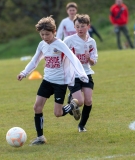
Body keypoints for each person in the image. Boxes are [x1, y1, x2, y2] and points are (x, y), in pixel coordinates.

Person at [17, 16, 89, 145]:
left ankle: (73, 104)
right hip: (47, 80)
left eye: (47, 34)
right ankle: (40, 137)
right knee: (37, 107)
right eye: (42, 34)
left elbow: (73, 58)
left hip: (60, 83)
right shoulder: (42, 44)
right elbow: (35, 60)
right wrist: (24, 72)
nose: (45, 37)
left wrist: (82, 74)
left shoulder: (60, 44)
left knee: (58, 113)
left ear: (54, 32)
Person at [63, 14, 98, 132]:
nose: (79, 29)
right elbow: (59, 52)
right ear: (74, 27)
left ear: (88, 26)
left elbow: (94, 62)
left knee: (88, 101)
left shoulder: (92, 42)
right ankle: (71, 101)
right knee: (81, 102)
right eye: (77, 26)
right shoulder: (69, 40)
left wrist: (89, 59)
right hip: (73, 75)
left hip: (86, 73)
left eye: (82, 26)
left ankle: (81, 126)